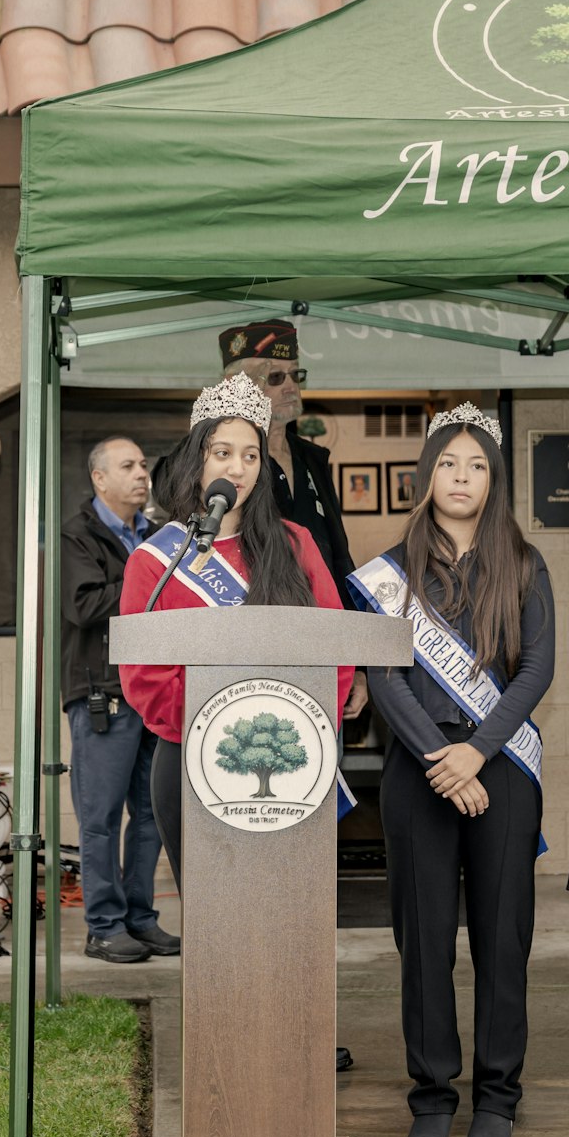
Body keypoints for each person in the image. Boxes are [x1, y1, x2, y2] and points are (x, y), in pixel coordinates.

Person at [348, 403, 553, 1137]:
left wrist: (477, 754)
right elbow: (385, 674)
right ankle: (432, 1095)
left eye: (475, 465)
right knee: (424, 940)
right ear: (426, 475)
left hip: (502, 768)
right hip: (418, 767)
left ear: (493, 479)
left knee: (504, 940)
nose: (460, 477)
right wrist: (442, 757)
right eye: (447, 464)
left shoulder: (527, 564)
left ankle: (497, 1098)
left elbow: (537, 669)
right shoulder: (392, 570)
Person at [118, 373, 356, 886]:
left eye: (251, 456)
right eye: (222, 452)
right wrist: (223, 729)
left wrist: (307, 726)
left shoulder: (293, 544)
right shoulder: (157, 558)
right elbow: (144, 675)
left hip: (290, 754)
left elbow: (334, 645)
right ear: (196, 458)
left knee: (287, 911)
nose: (237, 468)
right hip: (191, 757)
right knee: (212, 925)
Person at [61, 436, 179, 964]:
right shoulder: (75, 535)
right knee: (101, 817)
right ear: (99, 478)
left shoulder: (156, 537)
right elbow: (85, 606)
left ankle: (140, 918)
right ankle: (103, 925)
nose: (141, 474)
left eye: (144, 465)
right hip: (101, 693)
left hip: (151, 691)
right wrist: (144, 586)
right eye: (128, 466)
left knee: (152, 814)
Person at [218, 320, 368, 722]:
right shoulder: (230, 467)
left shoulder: (313, 459)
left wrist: (357, 665)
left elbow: (340, 562)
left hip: (322, 648)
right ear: (242, 389)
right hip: (253, 653)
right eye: (276, 377)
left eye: (295, 375)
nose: (291, 387)